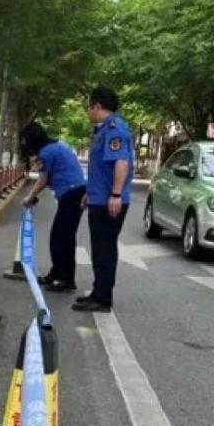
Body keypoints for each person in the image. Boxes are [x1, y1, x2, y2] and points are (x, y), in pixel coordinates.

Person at [73, 86, 134, 313]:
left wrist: (116, 194)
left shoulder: (114, 128)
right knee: (99, 249)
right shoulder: (102, 130)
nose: (88, 112)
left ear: (97, 106)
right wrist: (90, 192)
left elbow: (121, 162)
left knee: (105, 250)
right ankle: (98, 292)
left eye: (89, 107)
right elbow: (101, 168)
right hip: (99, 198)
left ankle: (102, 299)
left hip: (110, 201)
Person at [20, 122, 87, 291]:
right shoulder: (55, 147)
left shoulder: (46, 153)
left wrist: (29, 198)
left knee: (61, 238)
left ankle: (64, 279)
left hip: (71, 194)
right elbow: (50, 177)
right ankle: (58, 275)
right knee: (62, 237)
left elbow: (42, 180)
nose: (23, 143)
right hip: (75, 192)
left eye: (24, 140)